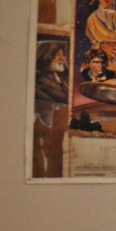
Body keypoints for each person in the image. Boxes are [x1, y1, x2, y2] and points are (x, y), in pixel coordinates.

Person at [32, 41, 70, 178]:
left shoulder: (63, 80)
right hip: (47, 126)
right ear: (46, 57)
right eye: (57, 55)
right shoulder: (37, 81)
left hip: (59, 130)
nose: (62, 58)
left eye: (63, 54)